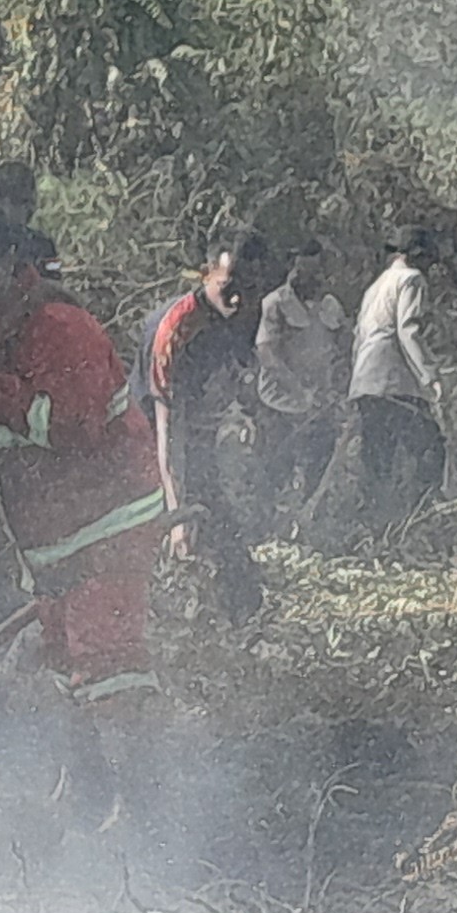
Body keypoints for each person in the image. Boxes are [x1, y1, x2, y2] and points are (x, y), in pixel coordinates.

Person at [0, 204, 166, 736]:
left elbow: (71, 429)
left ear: (7, 264)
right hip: (50, 540)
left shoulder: (60, 327)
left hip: (109, 525)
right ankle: (87, 802)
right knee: (68, 675)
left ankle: (147, 804)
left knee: (108, 672)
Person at [149, 231, 283, 622]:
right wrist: (178, 512)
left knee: (224, 542)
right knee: (185, 538)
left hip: (203, 441)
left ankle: (239, 620)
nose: (240, 299)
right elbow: (167, 432)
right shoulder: (177, 332)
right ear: (206, 275)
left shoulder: (242, 316)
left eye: (252, 289)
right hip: (157, 444)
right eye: (230, 287)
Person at [332, 224, 449, 532]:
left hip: (366, 382)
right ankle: (419, 518)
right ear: (417, 255)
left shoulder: (376, 286)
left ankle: (375, 525)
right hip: (393, 382)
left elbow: (359, 338)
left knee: (377, 457)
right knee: (429, 447)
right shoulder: (411, 279)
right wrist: (429, 375)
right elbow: (408, 330)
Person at [252, 237, 347, 520]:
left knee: (319, 459)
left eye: (316, 272)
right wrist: (299, 389)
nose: (310, 278)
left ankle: (308, 520)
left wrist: (338, 385)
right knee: (276, 461)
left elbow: (345, 348)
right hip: (280, 403)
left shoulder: (331, 306)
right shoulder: (275, 304)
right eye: (303, 272)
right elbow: (266, 352)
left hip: (320, 404)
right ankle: (265, 519)